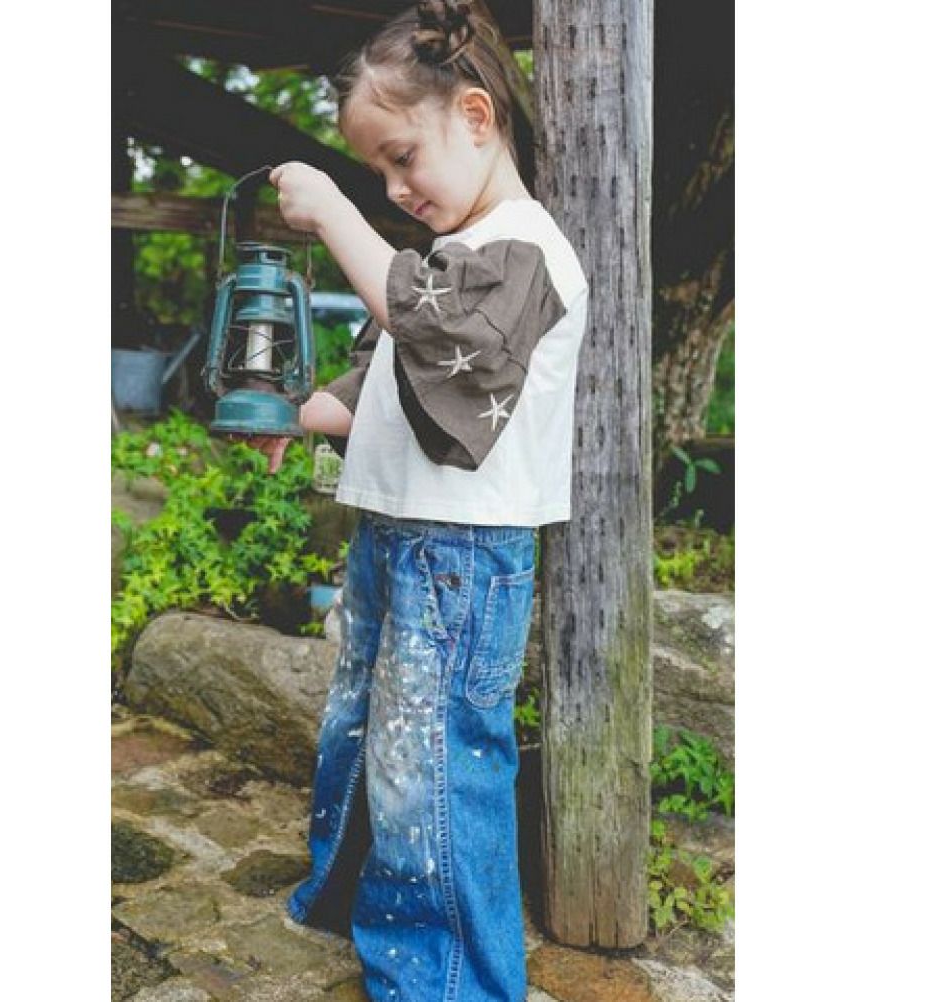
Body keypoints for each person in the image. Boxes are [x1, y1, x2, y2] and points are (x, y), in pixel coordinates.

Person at [251, 3, 588, 999]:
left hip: (466, 554)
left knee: (434, 761)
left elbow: (437, 341)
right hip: (399, 534)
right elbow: (387, 381)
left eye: (402, 158)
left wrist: (336, 216)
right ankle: (358, 899)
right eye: (376, 176)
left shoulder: (526, 247)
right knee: (368, 730)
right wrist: (294, 412)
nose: (394, 190)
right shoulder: (451, 262)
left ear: (476, 116)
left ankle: (451, 982)